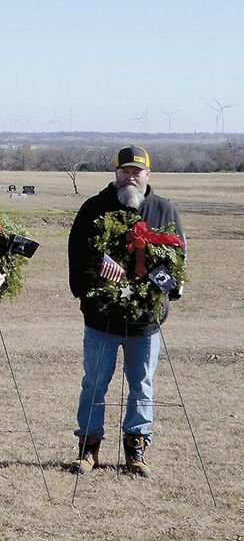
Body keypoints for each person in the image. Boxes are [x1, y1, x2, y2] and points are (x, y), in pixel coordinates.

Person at [67, 145, 185, 476]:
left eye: (137, 171)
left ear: (148, 174)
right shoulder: (94, 208)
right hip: (101, 319)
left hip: (146, 322)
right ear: (116, 173)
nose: (130, 176)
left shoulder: (164, 210)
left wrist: (161, 286)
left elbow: (178, 263)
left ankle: (136, 447)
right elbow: (76, 255)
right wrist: (96, 266)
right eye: (125, 171)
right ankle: (88, 448)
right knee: (94, 384)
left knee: (142, 385)